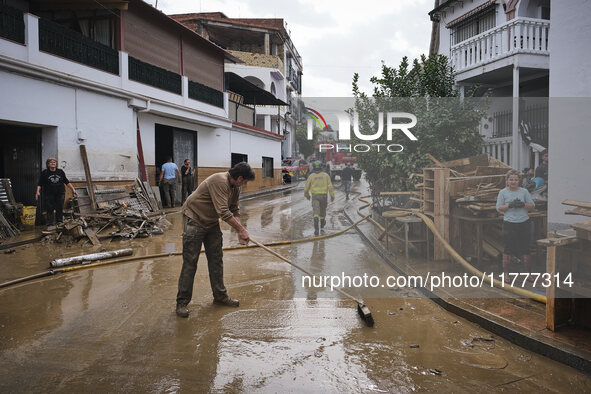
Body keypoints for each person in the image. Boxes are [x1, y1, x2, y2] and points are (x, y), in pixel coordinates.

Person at [175, 161, 255, 318]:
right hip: (195, 218)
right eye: (245, 181)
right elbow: (224, 212)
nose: (244, 184)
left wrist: (240, 231)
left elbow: (234, 209)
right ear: (239, 178)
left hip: (211, 222)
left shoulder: (236, 188)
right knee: (190, 262)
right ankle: (182, 302)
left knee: (216, 259)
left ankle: (220, 296)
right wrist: (242, 230)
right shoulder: (219, 181)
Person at [496, 169, 535, 277]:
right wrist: (510, 205)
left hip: (524, 223)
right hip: (509, 223)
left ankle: (528, 273)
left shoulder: (524, 192)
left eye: (516, 180)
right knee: (508, 248)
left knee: (526, 248)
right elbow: (499, 208)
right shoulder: (502, 192)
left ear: (519, 181)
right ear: (507, 180)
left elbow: (532, 206)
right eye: (511, 179)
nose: (513, 182)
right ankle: (506, 274)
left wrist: (523, 204)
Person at [35, 158, 78, 226]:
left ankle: (59, 222)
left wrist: (73, 189)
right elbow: (40, 183)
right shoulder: (45, 173)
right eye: (51, 162)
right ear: (48, 164)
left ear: (56, 164)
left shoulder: (60, 172)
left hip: (60, 193)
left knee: (59, 207)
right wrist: (37, 192)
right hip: (49, 193)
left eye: (54, 162)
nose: (52, 163)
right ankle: (49, 223)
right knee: (50, 208)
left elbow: (66, 182)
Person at [304, 161, 334, 236]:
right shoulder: (326, 175)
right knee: (323, 210)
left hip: (315, 196)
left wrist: (307, 196)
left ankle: (316, 229)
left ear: (313, 167)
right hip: (324, 196)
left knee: (316, 212)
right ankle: (322, 224)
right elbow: (330, 186)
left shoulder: (311, 176)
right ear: (321, 166)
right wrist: (332, 195)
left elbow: (306, 189)